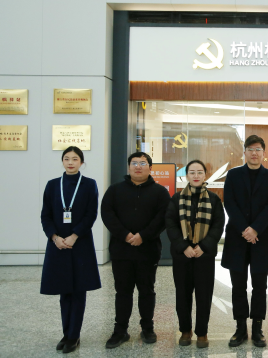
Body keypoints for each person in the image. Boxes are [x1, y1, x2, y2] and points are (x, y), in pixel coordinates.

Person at [101, 152, 171, 349]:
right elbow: (107, 214)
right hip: (121, 250)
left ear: (150, 168)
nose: (138, 166)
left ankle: (147, 328)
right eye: (134, 163)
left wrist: (143, 236)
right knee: (122, 291)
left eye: (142, 163)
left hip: (147, 250)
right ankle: (120, 330)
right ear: (129, 167)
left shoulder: (160, 192)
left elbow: (162, 218)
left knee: (146, 291)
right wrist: (125, 235)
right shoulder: (115, 190)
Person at [40, 146, 101, 354]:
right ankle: (66, 334)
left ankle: (74, 335)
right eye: (67, 158)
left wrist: (74, 236)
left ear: (81, 162)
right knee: (64, 291)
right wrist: (54, 237)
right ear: (62, 161)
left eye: (75, 159)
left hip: (80, 244)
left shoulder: (89, 184)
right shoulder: (52, 185)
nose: (70, 162)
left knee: (78, 291)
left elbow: (91, 215)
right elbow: (46, 215)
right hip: (58, 245)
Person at [221, 135, 268, 348]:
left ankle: (257, 328)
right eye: (250, 149)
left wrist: (255, 229)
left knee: (260, 286)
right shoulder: (233, 174)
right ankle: (240, 328)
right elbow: (229, 203)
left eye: (258, 149)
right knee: (238, 286)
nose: (254, 153)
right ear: (244, 152)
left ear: (264, 153)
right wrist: (245, 229)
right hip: (237, 238)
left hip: (261, 238)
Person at [165, 160, 225, 348]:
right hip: (182, 255)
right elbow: (170, 224)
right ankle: (185, 330)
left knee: (204, 296)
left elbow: (218, 225)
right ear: (187, 176)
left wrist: (204, 246)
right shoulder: (176, 198)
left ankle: (202, 332)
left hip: (204, 256)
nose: (196, 176)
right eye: (192, 172)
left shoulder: (214, 199)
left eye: (199, 172)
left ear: (205, 175)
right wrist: (184, 246)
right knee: (182, 295)